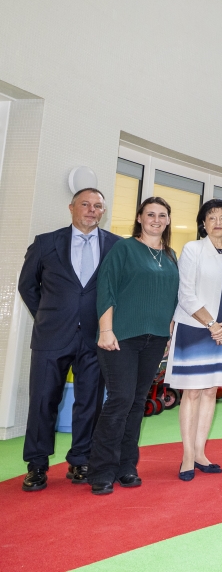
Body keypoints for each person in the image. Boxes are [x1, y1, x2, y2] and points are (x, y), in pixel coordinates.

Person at [17, 188, 120, 492]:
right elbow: (27, 286)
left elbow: (117, 289)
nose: (91, 210)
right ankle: (36, 465)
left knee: (89, 403)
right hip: (52, 336)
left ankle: (80, 460)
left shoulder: (115, 245)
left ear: (103, 211)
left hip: (95, 337)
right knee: (43, 401)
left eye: (97, 206)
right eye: (85, 205)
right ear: (72, 207)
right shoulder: (46, 243)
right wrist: (48, 316)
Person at [89, 197, 179, 495]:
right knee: (120, 400)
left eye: (162, 215)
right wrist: (106, 330)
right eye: (150, 214)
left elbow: (170, 297)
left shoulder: (170, 255)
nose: (156, 219)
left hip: (155, 340)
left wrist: (167, 334)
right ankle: (101, 469)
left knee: (138, 402)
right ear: (139, 218)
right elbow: (107, 288)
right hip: (121, 337)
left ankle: (127, 465)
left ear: (168, 220)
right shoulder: (124, 248)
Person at [165, 200, 222, 481]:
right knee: (193, 392)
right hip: (196, 328)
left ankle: (200, 453)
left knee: (211, 391)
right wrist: (212, 325)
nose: (218, 222)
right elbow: (185, 294)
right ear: (203, 223)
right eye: (211, 218)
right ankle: (187, 456)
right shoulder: (193, 249)